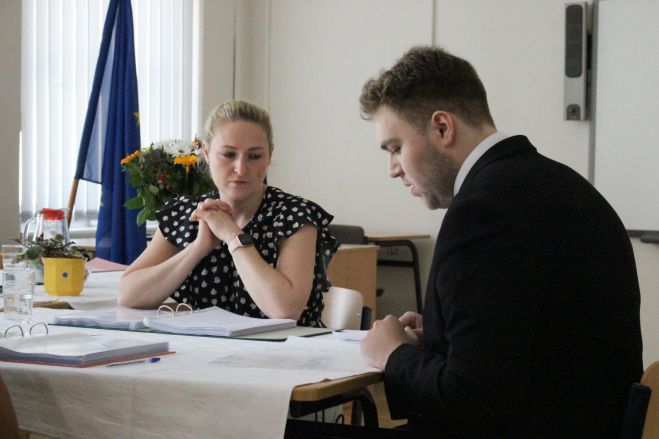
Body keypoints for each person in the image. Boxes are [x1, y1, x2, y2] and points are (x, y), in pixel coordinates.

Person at [358, 46, 643, 438]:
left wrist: (393, 354)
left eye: (395, 148)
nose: (393, 169)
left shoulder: (480, 213)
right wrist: (444, 333)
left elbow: (473, 397)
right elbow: (536, 332)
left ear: (442, 128)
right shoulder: (564, 185)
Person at [118, 100, 337, 327]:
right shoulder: (187, 213)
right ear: (207, 153)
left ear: (270, 155)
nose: (241, 169)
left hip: (286, 346)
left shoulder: (295, 215)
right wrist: (197, 248)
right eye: (228, 154)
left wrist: (233, 236)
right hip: (204, 346)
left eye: (254, 156)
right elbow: (128, 295)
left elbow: (284, 310)